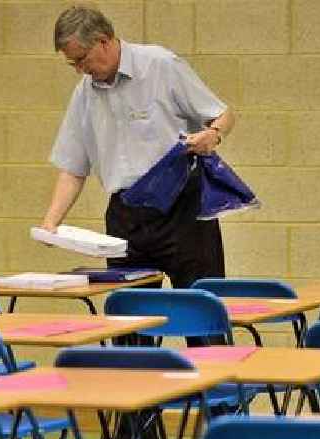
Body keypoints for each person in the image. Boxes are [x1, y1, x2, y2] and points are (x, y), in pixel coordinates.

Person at [41, 4, 235, 290]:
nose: (81, 70)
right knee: (128, 317)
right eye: (74, 65)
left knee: (202, 307)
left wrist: (214, 134)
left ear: (103, 41)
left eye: (83, 60)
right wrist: (50, 224)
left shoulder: (160, 64)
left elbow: (224, 114)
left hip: (182, 207)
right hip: (127, 214)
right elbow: (73, 167)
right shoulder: (85, 92)